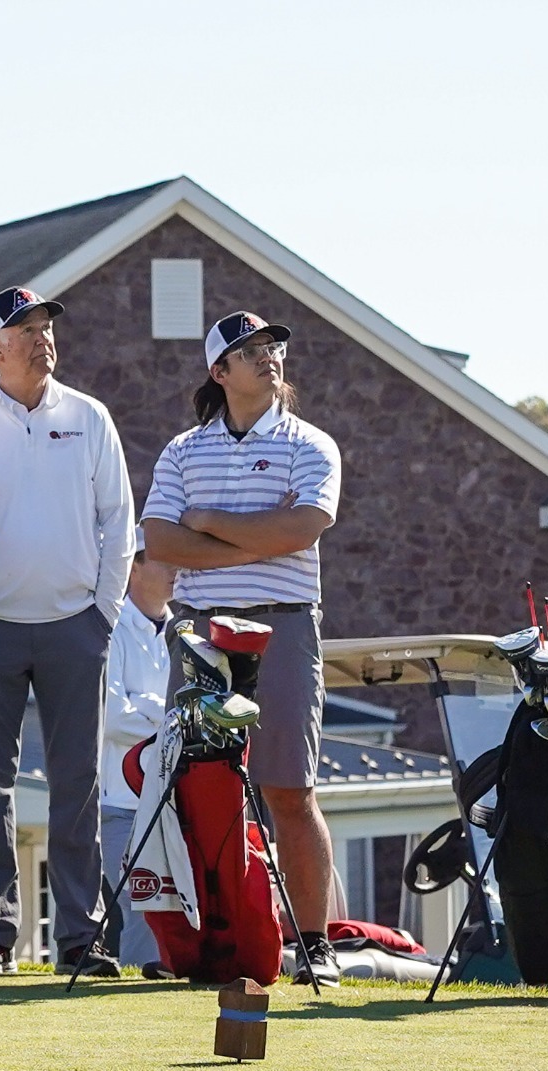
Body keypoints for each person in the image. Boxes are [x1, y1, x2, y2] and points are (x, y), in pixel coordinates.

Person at [142, 310, 343, 987]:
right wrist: (249, 534)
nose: (269, 357)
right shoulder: (181, 451)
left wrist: (207, 523)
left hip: (284, 624)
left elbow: (303, 527)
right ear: (219, 371)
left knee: (288, 786)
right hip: (202, 627)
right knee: (198, 786)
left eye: (273, 346)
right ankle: (214, 941)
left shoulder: (310, 443)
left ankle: (313, 943)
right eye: (250, 350)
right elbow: (160, 545)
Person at [0, 287, 135, 975]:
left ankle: (80, 939)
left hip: (73, 628)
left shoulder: (90, 416)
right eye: (26, 330)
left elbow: (120, 522)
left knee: (78, 783)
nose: (42, 338)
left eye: (46, 326)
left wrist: (103, 615)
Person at [99, 529, 175, 974]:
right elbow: (110, 718)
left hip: (167, 801)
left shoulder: (179, 632)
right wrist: (163, 714)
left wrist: (148, 710)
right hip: (119, 803)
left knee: (164, 907)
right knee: (139, 904)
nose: (178, 570)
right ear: (134, 566)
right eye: (166, 559)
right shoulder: (110, 627)